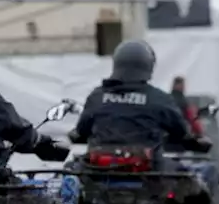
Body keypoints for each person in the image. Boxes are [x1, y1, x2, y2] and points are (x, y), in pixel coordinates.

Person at [68, 40, 210, 167]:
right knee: (192, 180)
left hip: (98, 171)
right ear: (148, 66)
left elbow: (81, 131)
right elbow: (182, 132)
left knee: (70, 173)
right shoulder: (159, 98)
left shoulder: (97, 96)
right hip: (149, 173)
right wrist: (194, 141)